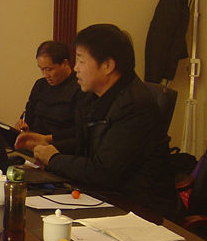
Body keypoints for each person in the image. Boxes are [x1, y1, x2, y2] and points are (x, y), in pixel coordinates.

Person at [15, 24, 179, 218]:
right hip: (104, 196)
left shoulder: (134, 106)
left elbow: (104, 172)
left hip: (139, 209)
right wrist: (48, 142)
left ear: (107, 65)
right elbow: (86, 142)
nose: (76, 68)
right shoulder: (96, 96)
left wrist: (53, 159)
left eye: (81, 61)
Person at [14, 40, 81, 143]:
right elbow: (28, 114)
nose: (45, 75)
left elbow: (78, 130)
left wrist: (46, 138)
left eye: (49, 69)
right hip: (33, 140)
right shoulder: (40, 85)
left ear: (65, 63)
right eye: (42, 69)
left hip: (59, 144)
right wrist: (23, 124)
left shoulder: (80, 87)